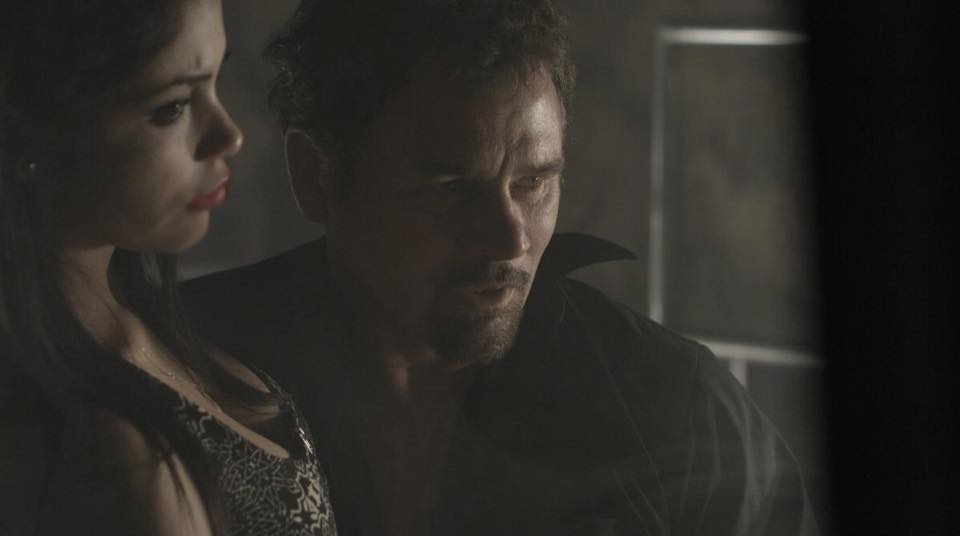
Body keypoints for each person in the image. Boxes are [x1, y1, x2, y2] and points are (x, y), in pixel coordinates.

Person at [184, 0, 818, 534]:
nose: (510, 238)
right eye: (452, 189)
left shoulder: (672, 406)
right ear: (314, 176)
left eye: (534, 183)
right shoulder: (189, 364)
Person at [0, 1, 336, 534]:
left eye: (216, 80)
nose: (229, 134)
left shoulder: (143, 322)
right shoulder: (114, 454)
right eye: (172, 107)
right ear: (28, 133)